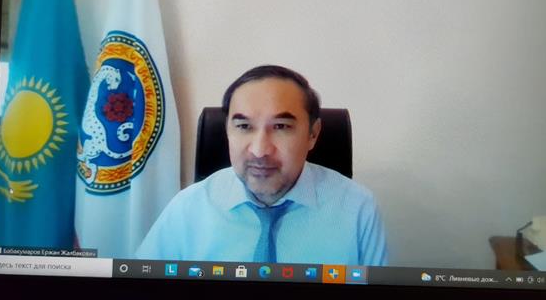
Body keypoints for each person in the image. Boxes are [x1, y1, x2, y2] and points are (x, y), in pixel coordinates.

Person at [136, 65, 388, 266]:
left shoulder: (358, 209)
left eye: (281, 127)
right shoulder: (189, 208)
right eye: (244, 126)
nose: (259, 150)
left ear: (313, 134)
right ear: (227, 131)